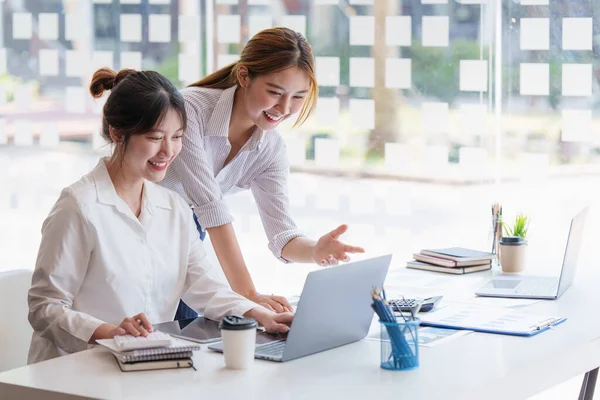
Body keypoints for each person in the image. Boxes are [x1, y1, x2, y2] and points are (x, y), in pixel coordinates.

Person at [27, 67, 293, 364]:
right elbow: (45, 307)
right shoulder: (79, 206)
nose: (168, 151)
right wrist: (110, 332)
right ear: (117, 133)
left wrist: (263, 316)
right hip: (73, 371)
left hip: (148, 366)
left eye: (177, 137)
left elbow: (206, 287)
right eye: (155, 138)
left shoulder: (173, 207)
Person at [161, 27, 365, 316]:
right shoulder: (189, 108)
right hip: (130, 224)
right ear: (244, 76)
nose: (284, 108)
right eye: (274, 92)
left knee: (187, 334)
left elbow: (282, 234)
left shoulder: (270, 149)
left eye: (298, 97)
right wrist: (247, 294)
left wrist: (314, 251)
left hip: (185, 236)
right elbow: (209, 205)